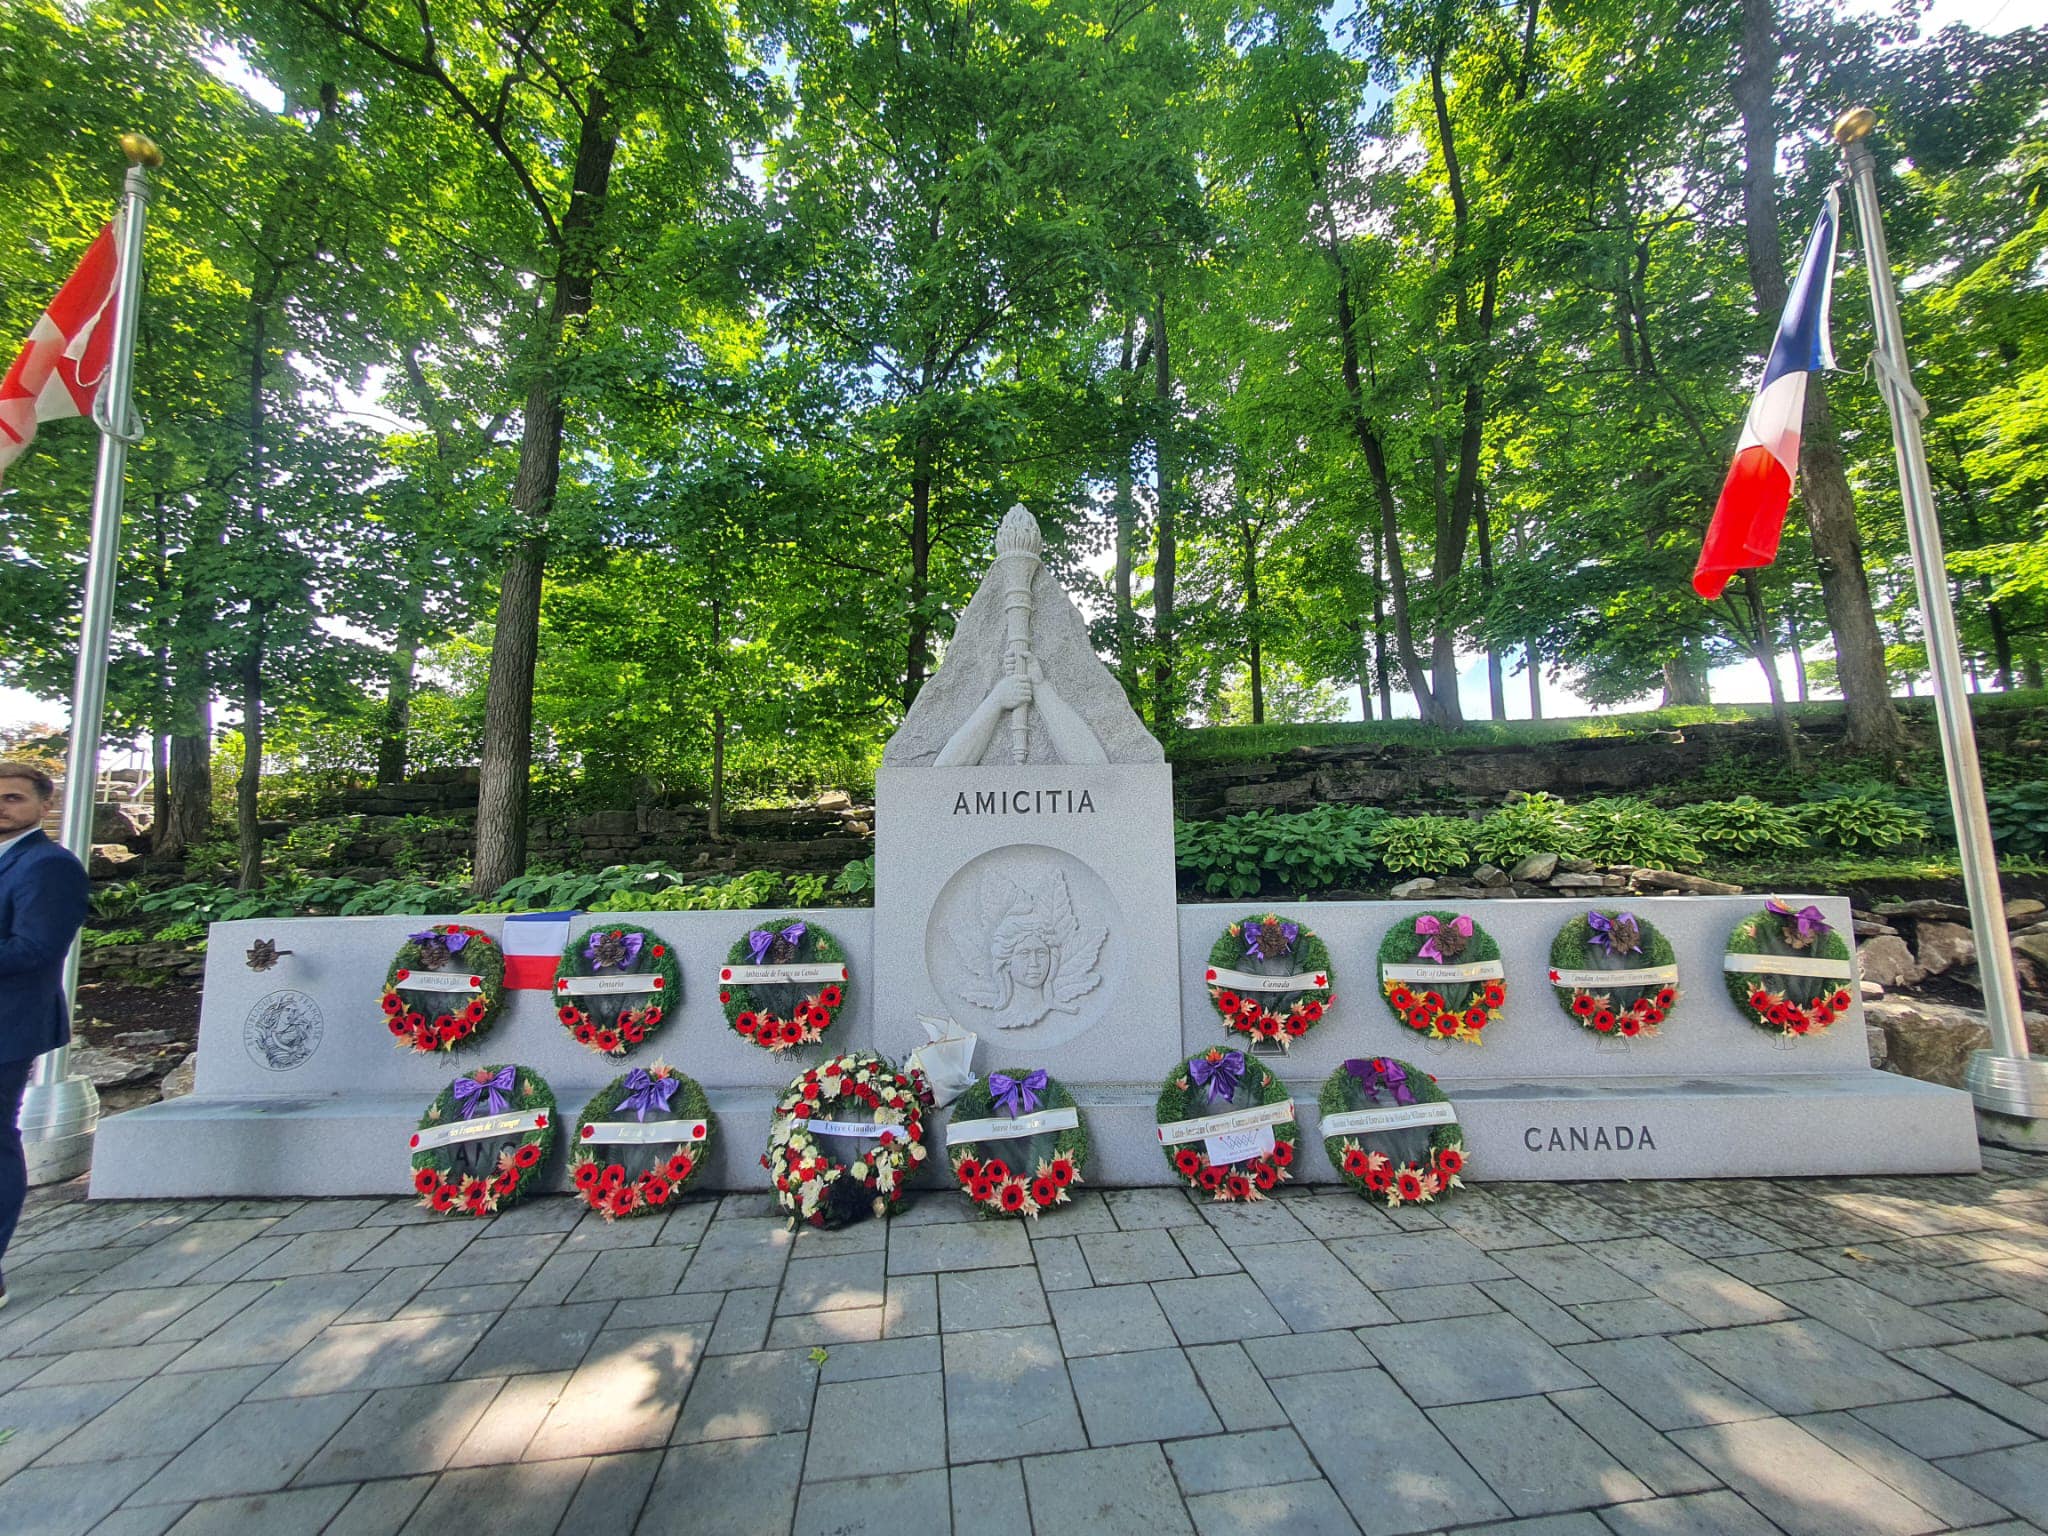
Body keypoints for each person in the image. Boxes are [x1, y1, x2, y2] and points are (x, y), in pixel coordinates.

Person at [0, 762, 89, 1310]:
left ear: (43, 805)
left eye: (12, 798)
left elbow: (36, 950)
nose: (2, 806)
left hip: (8, 1023)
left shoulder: (49, 866)